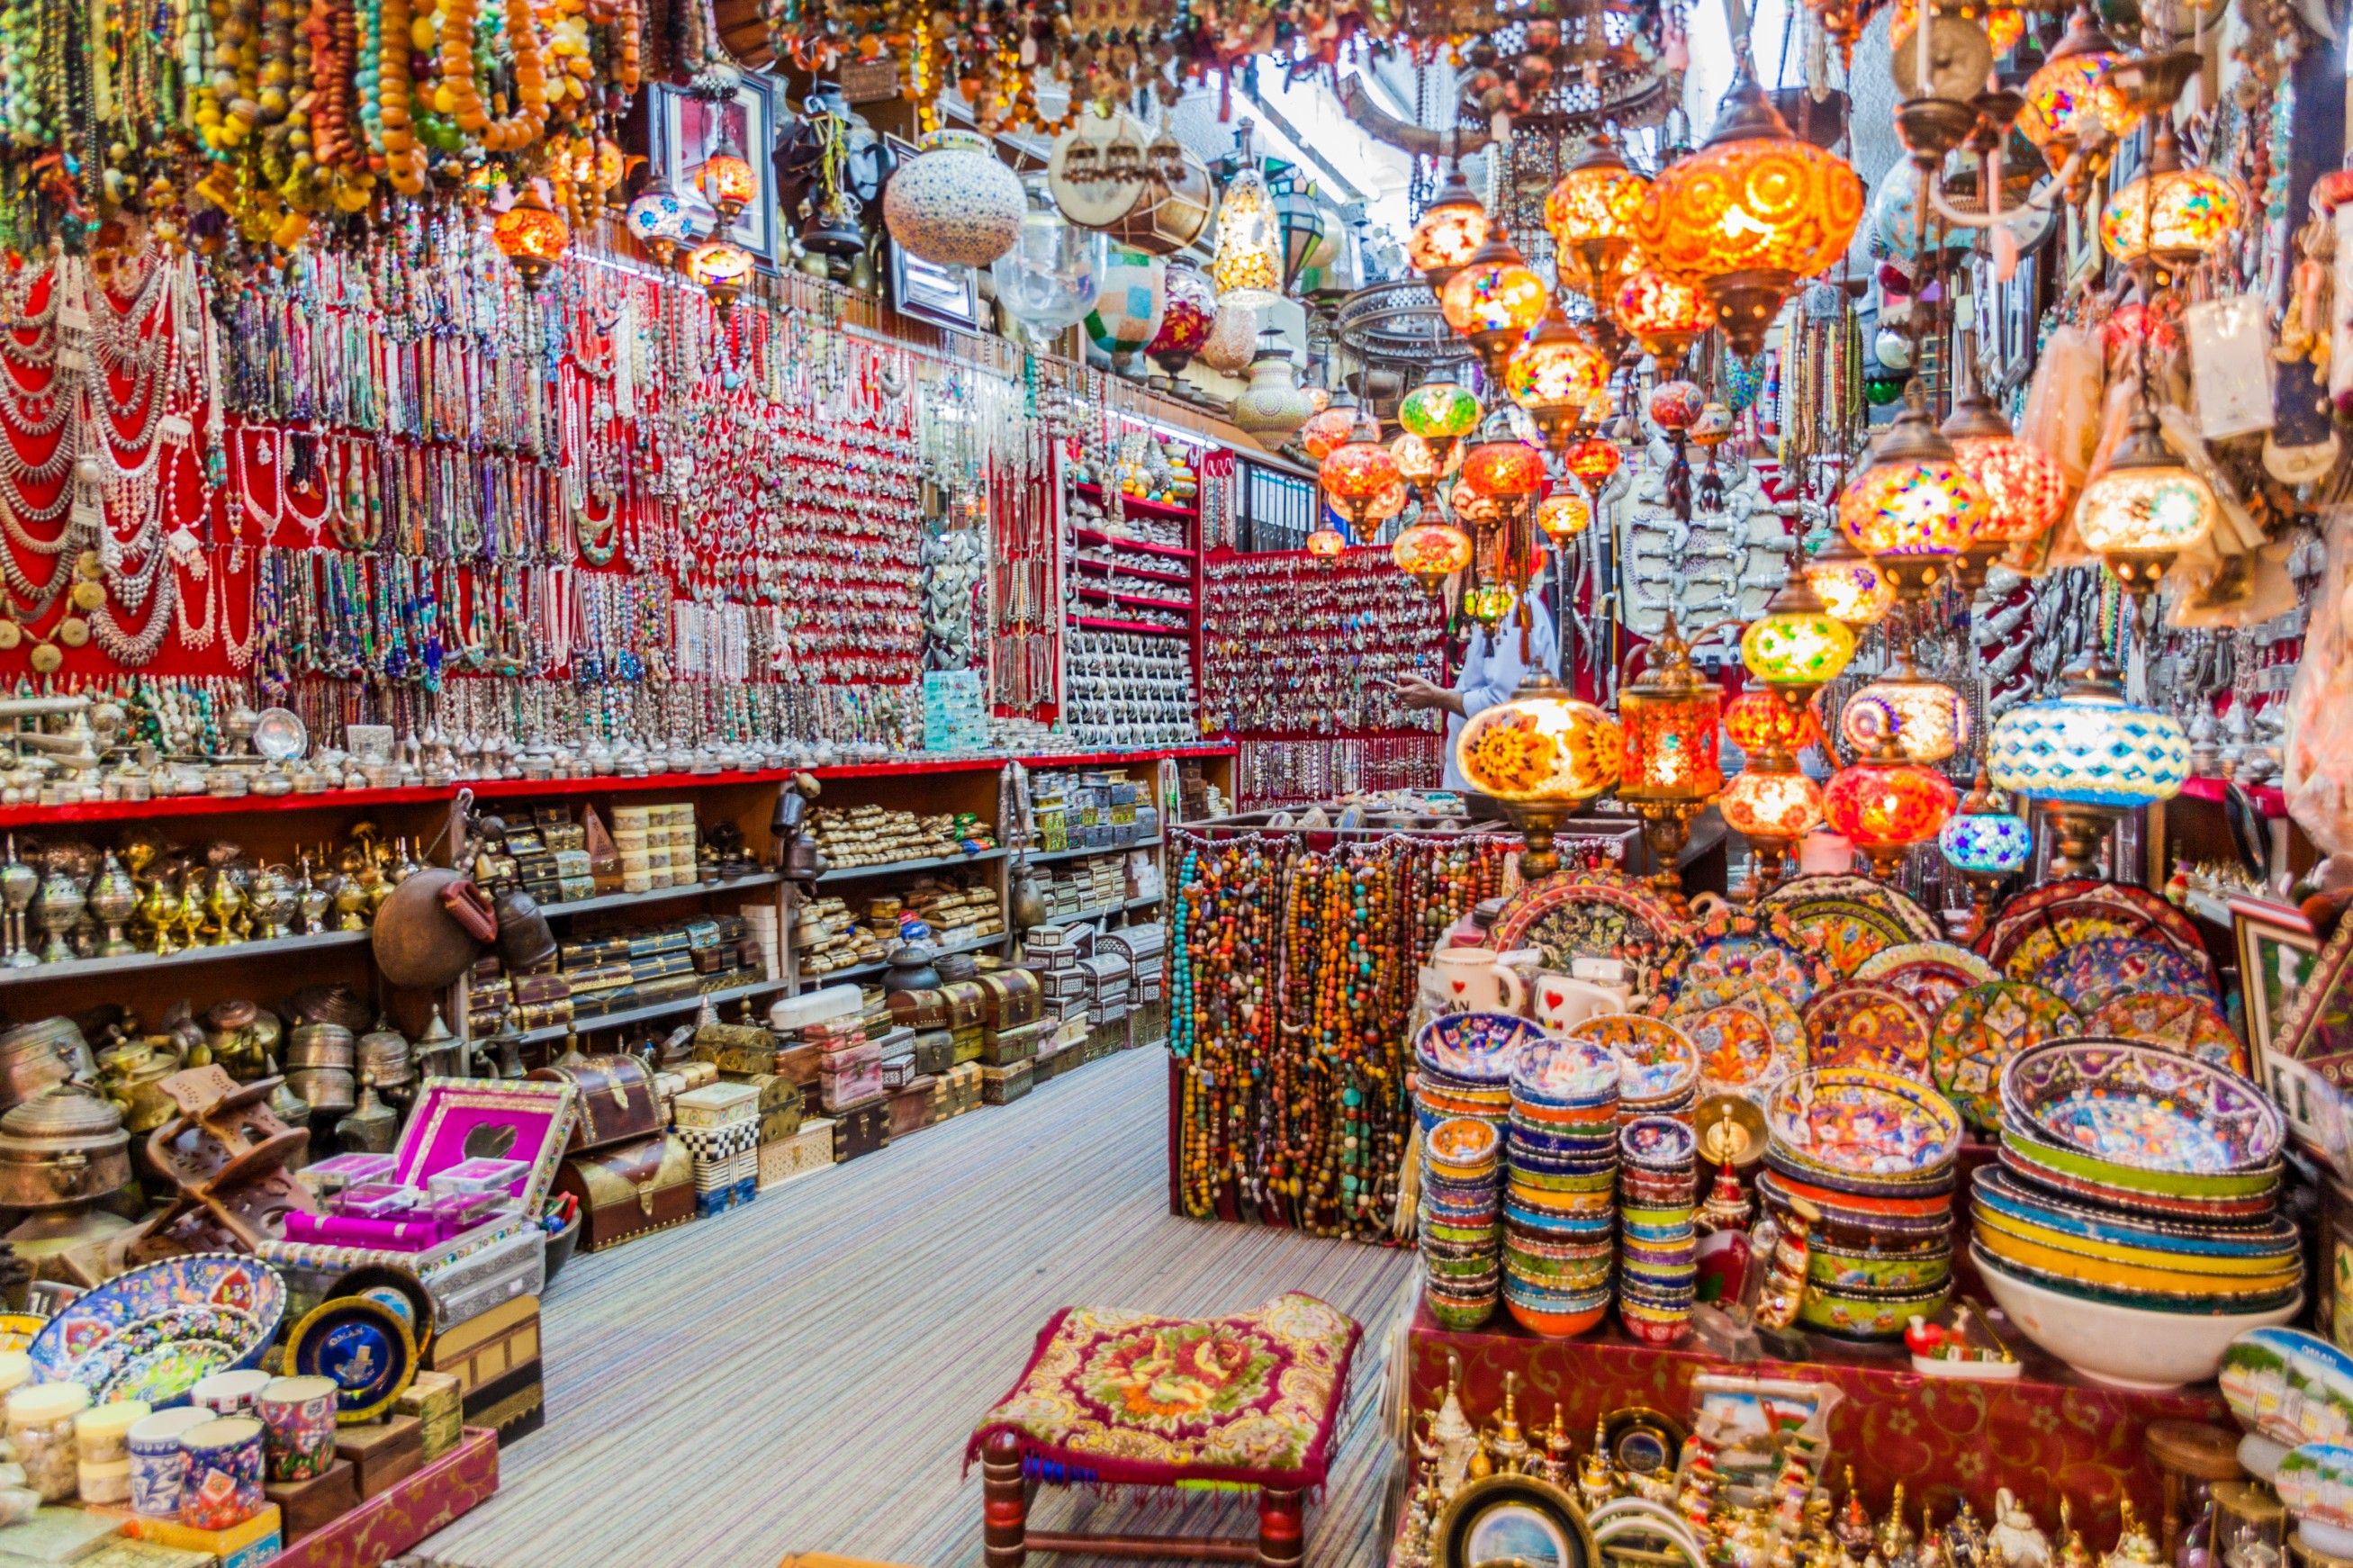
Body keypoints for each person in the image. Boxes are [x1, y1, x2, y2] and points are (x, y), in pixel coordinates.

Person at [1392, 576, 1563, 795]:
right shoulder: (1495, 606)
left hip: (1499, 786)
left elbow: (1503, 705)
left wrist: (1437, 697)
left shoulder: (1507, 607)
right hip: (1481, 781)